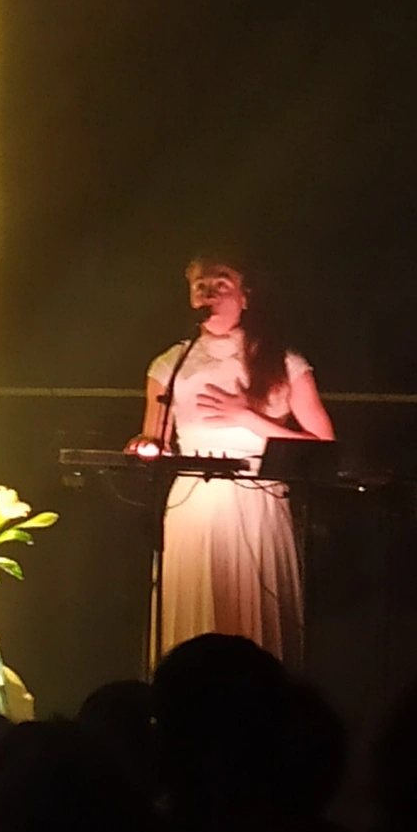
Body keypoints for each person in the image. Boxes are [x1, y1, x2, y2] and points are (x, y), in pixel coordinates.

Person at [126, 254, 334, 664]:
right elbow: (156, 439)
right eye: (199, 285)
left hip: (257, 497)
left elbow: (323, 444)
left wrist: (248, 417)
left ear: (245, 296)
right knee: (198, 605)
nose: (208, 291)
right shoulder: (170, 364)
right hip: (194, 502)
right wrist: (146, 448)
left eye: (221, 282)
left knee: (250, 611)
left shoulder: (283, 361)